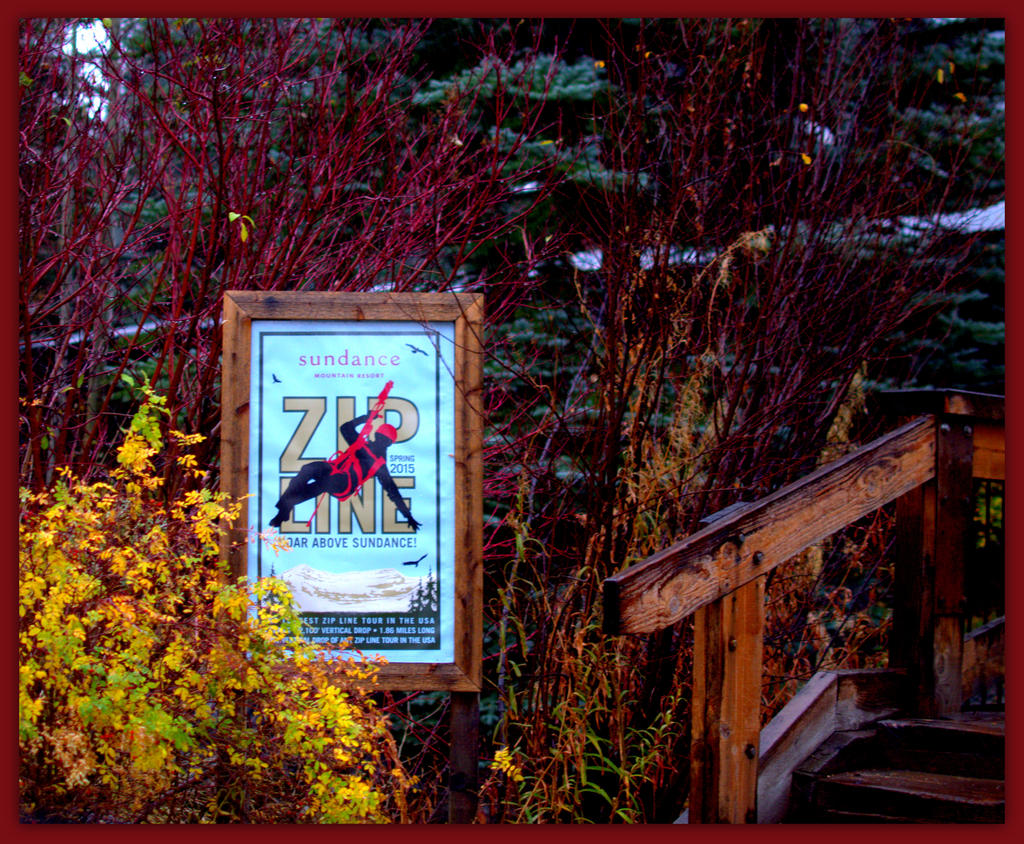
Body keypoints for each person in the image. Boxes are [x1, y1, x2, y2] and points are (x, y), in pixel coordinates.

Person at [269, 411, 421, 531]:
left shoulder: (378, 463)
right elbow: (345, 428)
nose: (377, 439)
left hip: (343, 484)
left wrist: (407, 515)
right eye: (379, 436)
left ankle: (285, 508)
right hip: (335, 469)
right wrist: (365, 418)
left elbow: (392, 491)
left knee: (324, 483)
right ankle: (284, 509)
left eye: (381, 437)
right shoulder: (363, 445)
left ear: (384, 441)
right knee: (309, 469)